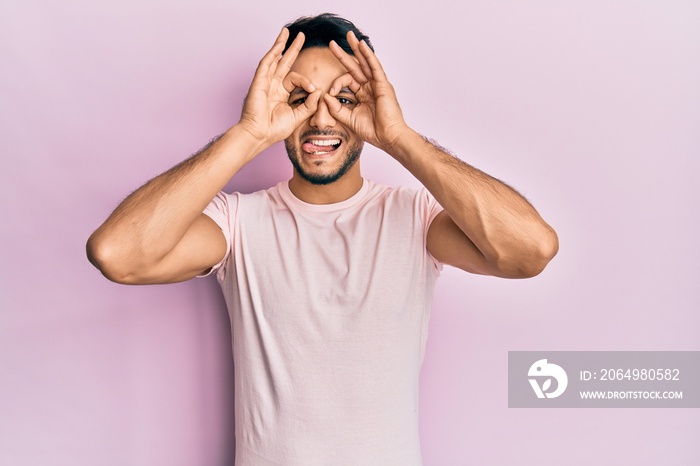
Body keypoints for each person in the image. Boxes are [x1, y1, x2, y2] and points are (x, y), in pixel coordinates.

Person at [87, 13, 558, 466]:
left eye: (345, 98)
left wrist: (398, 137)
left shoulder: (414, 217)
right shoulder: (237, 222)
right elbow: (117, 255)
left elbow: (530, 251)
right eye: (299, 98)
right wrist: (249, 134)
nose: (321, 118)